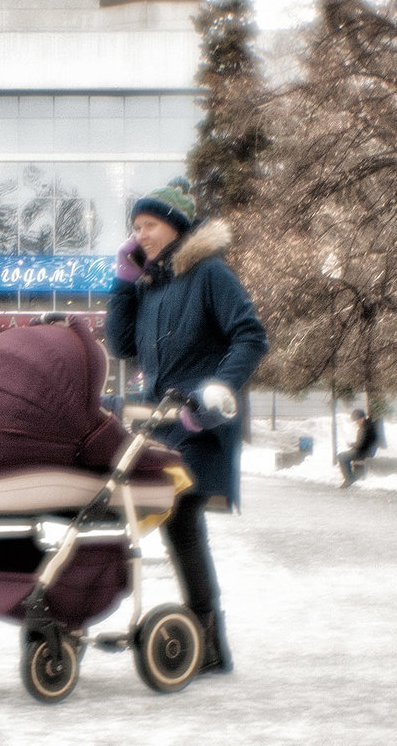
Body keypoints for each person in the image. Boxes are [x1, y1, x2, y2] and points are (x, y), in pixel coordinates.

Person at [105, 179, 268, 675]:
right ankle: (208, 642)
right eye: (135, 228)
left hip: (202, 420)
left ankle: (208, 641)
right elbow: (121, 344)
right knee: (171, 523)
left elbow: (250, 335)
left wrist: (219, 389)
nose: (140, 236)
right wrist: (124, 283)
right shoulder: (154, 286)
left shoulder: (210, 274)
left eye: (148, 225)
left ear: (174, 224)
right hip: (161, 423)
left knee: (180, 520)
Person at [338, 409, 380, 488]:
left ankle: (349, 479)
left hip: (364, 452)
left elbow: (361, 444)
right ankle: (351, 478)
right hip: (366, 451)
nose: (356, 423)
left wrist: (352, 444)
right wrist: (354, 446)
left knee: (341, 456)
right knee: (345, 455)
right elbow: (363, 443)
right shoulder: (368, 426)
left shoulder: (365, 428)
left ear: (362, 418)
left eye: (357, 421)